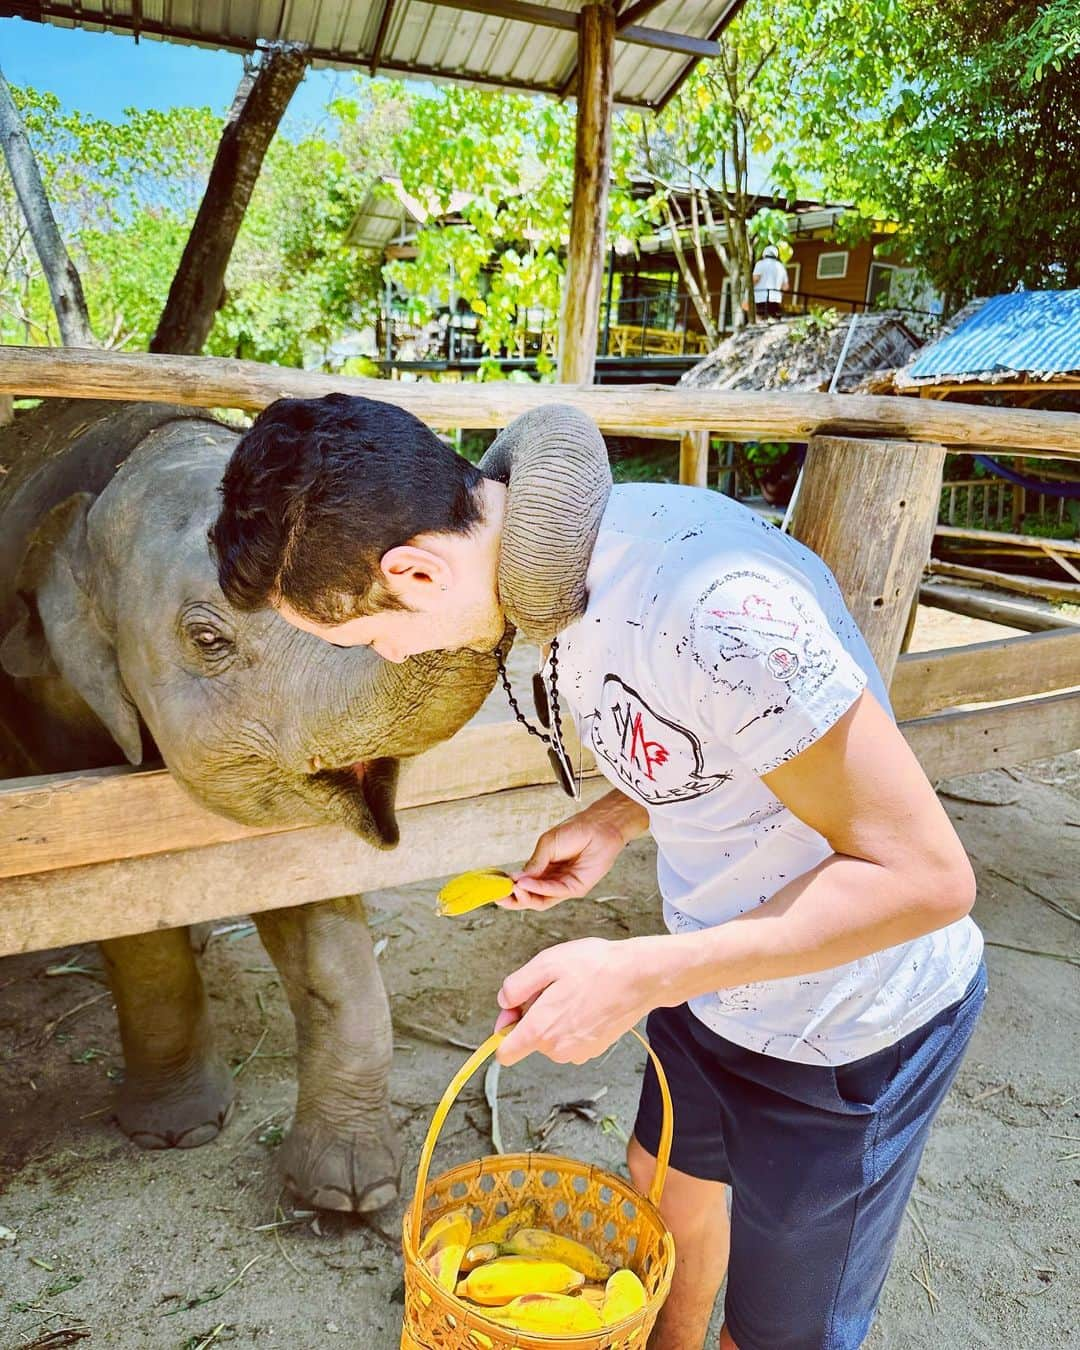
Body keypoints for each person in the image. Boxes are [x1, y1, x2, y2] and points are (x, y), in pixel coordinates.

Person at [211, 394, 985, 1350]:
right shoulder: (551, 576)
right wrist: (622, 811)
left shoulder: (716, 604)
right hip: (713, 977)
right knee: (664, 1195)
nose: (391, 654)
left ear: (412, 570)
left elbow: (926, 878)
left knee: (780, 1331)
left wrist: (641, 974)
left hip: (848, 1025)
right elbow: (723, 734)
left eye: (369, 640)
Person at [752, 244, 789, 320]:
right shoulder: (781, 266)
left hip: (760, 297)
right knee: (773, 319)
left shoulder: (760, 264)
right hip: (775, 298)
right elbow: (785, 287)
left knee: (760, 319)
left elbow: (755, 279)